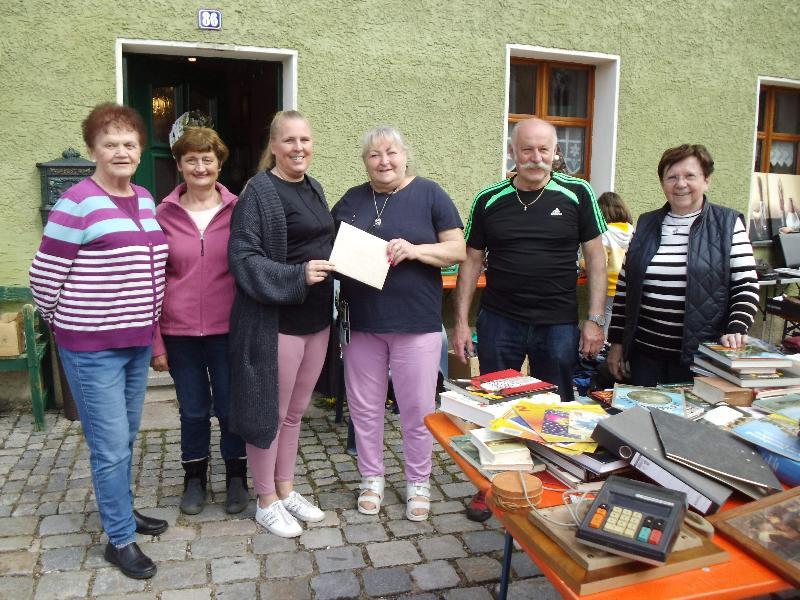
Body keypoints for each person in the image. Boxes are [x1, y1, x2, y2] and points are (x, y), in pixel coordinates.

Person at [29, 103, 168, 579]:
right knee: (109, 447)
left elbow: (150, 272)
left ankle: (122, 515)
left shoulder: (146, 198)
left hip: (134, 343)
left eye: (130, 143)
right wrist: (66, 324)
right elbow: (43, 278)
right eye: (111, 144)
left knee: (125, 438)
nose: (122, 151)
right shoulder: (77, 202)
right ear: (93, 150)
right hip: (92, 349)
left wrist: (150, 333)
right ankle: (120, 539)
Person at [451, 117, 607, 521]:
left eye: (544, 150)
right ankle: (495, 484)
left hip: (557, 323)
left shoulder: (577, 193)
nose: (536, 158)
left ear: (556, 152)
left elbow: (596, 257)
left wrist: (595, 319)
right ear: (513, 152)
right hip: (500, 320)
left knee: (557, 409)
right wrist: (463, 322)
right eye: (527, 150)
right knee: (497, 407)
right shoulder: (489, 199)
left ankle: (555, 484)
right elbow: (471, 261)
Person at [331, 125, 465, 521]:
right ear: (364, 162)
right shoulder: (353, 199)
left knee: (418, 408)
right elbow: (327, 242)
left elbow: (457, 249)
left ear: (405, 155)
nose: (383, 161)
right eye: (374, 155)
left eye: (390, 153)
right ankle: (371, 479)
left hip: (416, 324)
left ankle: (418, 482)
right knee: (364, 408)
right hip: (362, 323)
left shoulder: (429, 193)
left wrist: (416, 250)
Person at [227, 110, 335, 538]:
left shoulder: (315, 187)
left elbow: (322, 242)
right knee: (268, 414)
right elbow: (242, 257)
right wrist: (296, 276)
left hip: (316, 319)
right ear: (273, 146)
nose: (298, 148)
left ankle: (286, 489)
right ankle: (265, 499)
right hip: (276, 322)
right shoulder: (259, 193)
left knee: (295, 413)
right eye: (289, 140)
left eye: (305, 140)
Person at [150, 125, 248, 516]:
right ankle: (194, 478)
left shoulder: (240, 209)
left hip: (229, 330)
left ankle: (236, 478)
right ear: (179, 165)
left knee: (229, 407)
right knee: (192, 409)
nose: (200, 166)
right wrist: (155, 341)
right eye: (191, 159)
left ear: (219, 164)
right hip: (180, 332)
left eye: (208, 158)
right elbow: (151, 279)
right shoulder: (162, 215)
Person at [607, 144, 759, 385]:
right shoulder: (646, 224)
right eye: (672, 177)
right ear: (663, 183)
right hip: (644, 357)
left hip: (700, 360)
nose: (680, 184)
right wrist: (616, 344)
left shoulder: (727, 224)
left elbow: (746, 287)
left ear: (706, 180)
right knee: (640, 420)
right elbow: (625, 289)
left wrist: (737, 327)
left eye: (690, 176)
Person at [582, 192, 635, 337]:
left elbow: (598, 262)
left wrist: (582, 263)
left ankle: (603, 350)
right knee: (620, 322)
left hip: (608, 286)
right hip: (626, 286)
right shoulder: (631, 231)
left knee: (604, 321)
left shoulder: (604, 233)